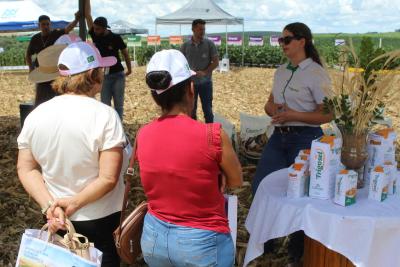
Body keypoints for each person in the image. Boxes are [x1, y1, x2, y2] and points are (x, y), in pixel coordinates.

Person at [17, 42, 129, 267]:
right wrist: (75, 203)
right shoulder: (105, 115)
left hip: (55, 217)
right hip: (100, 218)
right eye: (102, 70)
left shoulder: (36, 115)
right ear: (91, 73)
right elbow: (108, 178)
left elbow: (26, 168)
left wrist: (50, 205)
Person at [137, 49, 242, 266]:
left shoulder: (143, 134)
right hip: (201, 242)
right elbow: (236, 181)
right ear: (191, 89)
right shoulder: (212, 135)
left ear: (154, 95)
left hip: (153, 237)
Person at [251, 22, 333, 267]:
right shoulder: (281, 71)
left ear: (302, 41)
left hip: (305, 138)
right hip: (279, 136)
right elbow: (269, 104)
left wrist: (294, 115)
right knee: (262, 186)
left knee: (301, 195)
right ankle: (267, 241)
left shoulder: (316, 74)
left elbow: (327, 115)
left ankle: (297, 252)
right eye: (280, 40)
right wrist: (275, 110)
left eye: (286, 40)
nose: (282, 44)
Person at [84, 0, 132, 120]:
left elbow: (125, 54)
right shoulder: (95, 34)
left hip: (117, 75)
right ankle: (107, 126)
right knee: (105, 105)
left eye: (98, 29)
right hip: (102, 77)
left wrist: (129, 69)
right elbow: (87, 15)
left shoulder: (115, 38)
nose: (94, 31)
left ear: (105, 28)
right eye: (94, 28)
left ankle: (119, 126)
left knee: (119, 105)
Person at [26, 13, 79, 106]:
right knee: (41, 98)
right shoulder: (35, 38)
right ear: (39, 25)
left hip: (55, 72)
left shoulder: (55, 34)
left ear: (50, 24)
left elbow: (68, 29)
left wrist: (76, 19)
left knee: (57, 95)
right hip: (42, 72)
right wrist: (31, 68)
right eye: (43, 24)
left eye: (48, 24)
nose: (46, 26)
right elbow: (28, 54)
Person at [180, 19, 219, 123]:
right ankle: (193, 134)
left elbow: (216, 62)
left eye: (204, 29)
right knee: (191, 110)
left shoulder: (209, 44)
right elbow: (180, 63)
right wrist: (186, 71)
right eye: (200, 29)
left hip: (206, 83)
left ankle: (209, 134)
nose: (202, 31)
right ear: (193, 29)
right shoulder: (185, 46)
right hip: (190, 84)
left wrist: (205, 72)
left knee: (208, 110)